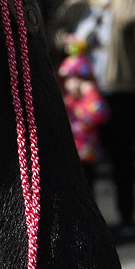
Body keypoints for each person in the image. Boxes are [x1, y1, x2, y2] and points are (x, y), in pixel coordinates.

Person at [51, 0, 135, 237]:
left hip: (120, 90)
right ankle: (89, 224)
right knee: (84, 161)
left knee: (123, 156)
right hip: (83, 96)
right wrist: (65, 39)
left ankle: (128, 219)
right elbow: (53, 30)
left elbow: (131, 16)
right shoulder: (78, 2)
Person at [58, 53, 110, 189]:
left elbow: (101, 115)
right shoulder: (65, 100)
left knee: (88, 188)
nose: (74, 83)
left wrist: (89, 92)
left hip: (88, 155)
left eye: (79, 78)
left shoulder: (90, 98)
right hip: (68, 154)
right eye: (70, 78)